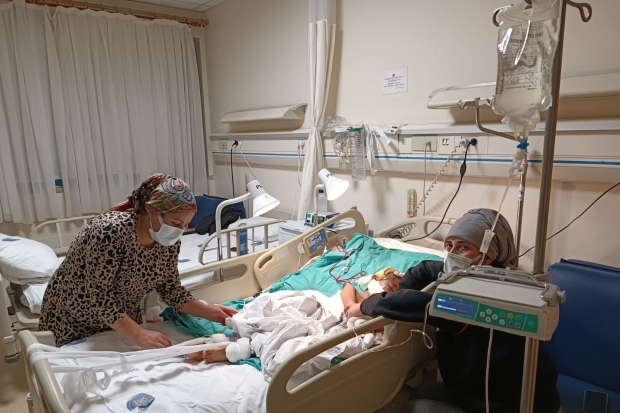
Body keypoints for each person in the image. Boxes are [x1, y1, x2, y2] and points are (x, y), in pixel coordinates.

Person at [345, 208, 561, 413]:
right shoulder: (482, 272)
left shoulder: (484, 295)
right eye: (449, 245)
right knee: (420, 392)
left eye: (463, 247)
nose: (451, 254)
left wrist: (363, 306)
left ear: (487, 255)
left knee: (414, 407)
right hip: (481, 388)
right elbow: (426, 268)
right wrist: (403, 286)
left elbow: (414, 303)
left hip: (510, 403)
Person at [39, 174, 237, 349]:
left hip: (122, 318)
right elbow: (99, 297)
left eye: (185, 225)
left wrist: (210, 312)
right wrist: (138, 334)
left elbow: (171, 290)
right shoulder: (109, 232)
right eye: (176, 223)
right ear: (152, 212)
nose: (180, 231)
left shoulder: (168, 242)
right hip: (75, 316)